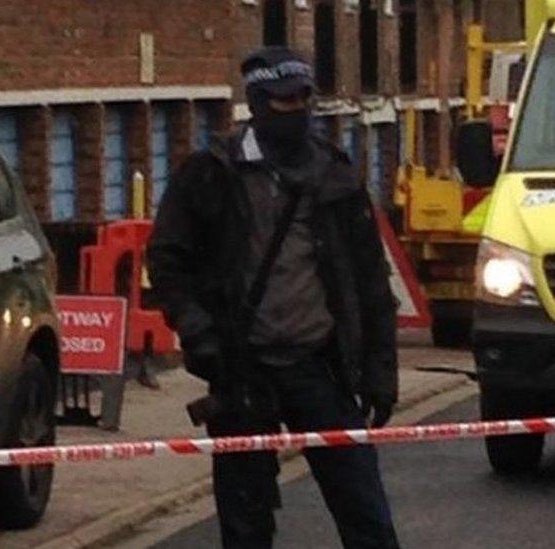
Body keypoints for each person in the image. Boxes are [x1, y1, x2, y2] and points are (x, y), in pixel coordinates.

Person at [148, 47, 401, 549]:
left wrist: (380, 371)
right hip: (243, 371)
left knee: (366, 513)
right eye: (285, 102)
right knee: (245, 525)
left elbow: (371, 280)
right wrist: (200, 333)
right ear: (258, 104)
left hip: (321, 366)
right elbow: (167, 262)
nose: (297, 111)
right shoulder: (211, 172)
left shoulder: (333, 171)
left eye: (305, 99)